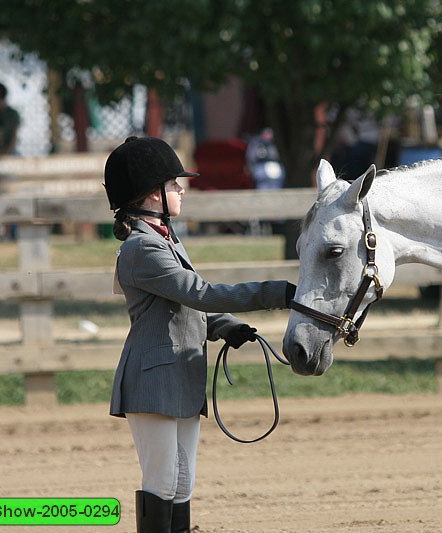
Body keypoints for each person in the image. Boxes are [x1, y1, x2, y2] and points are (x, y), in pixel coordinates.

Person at [103, 136, 296, 533]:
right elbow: (201, 293)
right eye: (173, 184)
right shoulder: (142, 249)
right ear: (150, 195)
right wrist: (277, 293)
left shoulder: (165, 240)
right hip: (154, 379)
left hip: (180, 378)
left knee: (183, 482)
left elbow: (187, 305)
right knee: (161, 482)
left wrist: (228, 326)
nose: (181, 189)